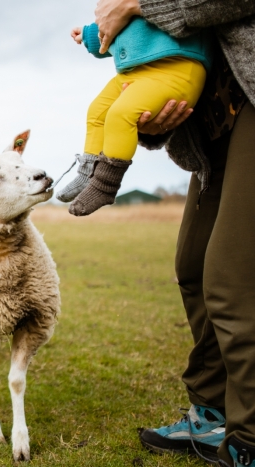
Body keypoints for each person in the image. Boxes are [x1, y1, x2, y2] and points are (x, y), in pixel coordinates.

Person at [89, 0, 255, 465]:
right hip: (216, 122)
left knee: (232, 281)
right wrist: (150, 119)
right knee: (194, 267)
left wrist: (138, 4)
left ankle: (250, 439)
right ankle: (211, 412)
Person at [57, 17, 212, 216]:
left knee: (120, 114)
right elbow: (114, 34)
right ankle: (89, 172)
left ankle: (105, 185)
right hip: (134, 72)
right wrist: (89, 35)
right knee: (97, 112)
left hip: (176, 68)